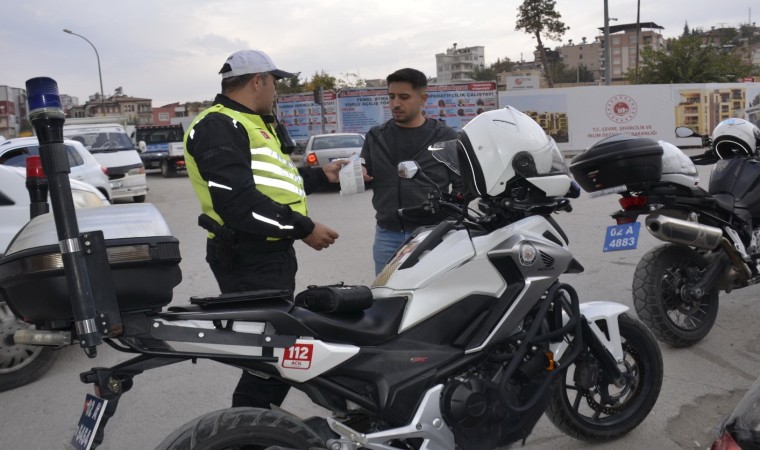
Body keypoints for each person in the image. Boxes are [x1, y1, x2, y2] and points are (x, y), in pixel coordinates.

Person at [184, 49, 349, 409]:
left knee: (273, 350)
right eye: (274, 82)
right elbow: (239, 204)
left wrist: (322, 176)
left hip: (266, 255)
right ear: (257, 80)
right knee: (272, 353)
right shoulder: (219, 125)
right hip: (248, 256)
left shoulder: (249, 122)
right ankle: (246, 432)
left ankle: (251, 427)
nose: (277, 91)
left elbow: (272, 183)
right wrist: (304, 228)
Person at [360, 68, 461, 275]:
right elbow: (365, 174)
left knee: (433, 297)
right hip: (387, 235)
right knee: (384, 297)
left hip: (431, 235)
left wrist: (447, 221)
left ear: (423, 98)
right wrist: (357, 173)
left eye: (404, 97)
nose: (395, 104)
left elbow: (463, 186)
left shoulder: (445, 136)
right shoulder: (376, 136)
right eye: (391, 97)